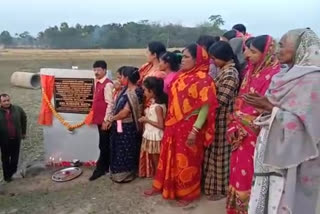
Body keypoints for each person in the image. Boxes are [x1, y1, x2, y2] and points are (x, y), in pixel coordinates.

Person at [247, 28, 320, 214]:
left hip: (296, 156)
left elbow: (311, 127)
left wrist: (271, 109)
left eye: (282, 45)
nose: (277, 50)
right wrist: (264, 110)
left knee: (288, 200)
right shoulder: (282, 76)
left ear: (300, 48)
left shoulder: (313, 81)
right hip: (270, 145)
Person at [144, 44, 218, 206]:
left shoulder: (204, 80)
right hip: (173, 124)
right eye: (182, 56)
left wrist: (195, 130)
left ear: (197, 59)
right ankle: (164, 186)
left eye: (186, 57)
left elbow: (205, 108)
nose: (182, 59)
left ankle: (187, 193)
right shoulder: (180, 76)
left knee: (187, 160)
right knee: (168, 156)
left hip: (190, 127)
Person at [226, 35, 280, 213]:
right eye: (246, 50)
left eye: (253, 51)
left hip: (257, 134)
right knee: (238, 171)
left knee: (252, 173)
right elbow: (240, 102)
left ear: (267, 53)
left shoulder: (275, 75)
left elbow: (272, 108)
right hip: (241, 134)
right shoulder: (250, 71)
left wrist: (242, 120)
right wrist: (234, 123)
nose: (247, 54)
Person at [203, 41, 240, 201]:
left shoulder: (230, 73)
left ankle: (221, 189)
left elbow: (221, 100)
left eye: (215, 58)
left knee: (220, 155)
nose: (213, 62)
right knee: (214, 153)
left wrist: (202, 105)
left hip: (223, 120)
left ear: (224, 57)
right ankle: (213, 186)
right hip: (216, 118)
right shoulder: (224, 70)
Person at [108, 66, 144, 183]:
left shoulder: (135, 92)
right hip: (119, 125)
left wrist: (112, 118)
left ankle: (125, 174)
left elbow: (125, 112)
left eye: (122, 76)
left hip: (127, 127)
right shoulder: (126, 89)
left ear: (127, 78)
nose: (120, 79)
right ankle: (117, 173)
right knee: (118, 148)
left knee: (125, 150)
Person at [89, 60, 114, 181]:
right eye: (94, 70)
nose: (96, 72)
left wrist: (106, 120)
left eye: (99, 70)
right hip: (99, 119)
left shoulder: (108, 84)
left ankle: (102, 168)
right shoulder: (97, 82)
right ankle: (104, 167)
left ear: (104, 70)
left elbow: (110, 104)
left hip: (104, 120)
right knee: (103, 144)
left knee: (104, 145)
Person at [138, 77, 167, 178]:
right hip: (151, 134)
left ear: (152, 91)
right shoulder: (154, 103)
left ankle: (159, 179)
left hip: (156, 136)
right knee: (155, 160)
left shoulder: (157, 106)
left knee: (157, 161)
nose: (144, 93)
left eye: (145, 90)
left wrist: (146, 120)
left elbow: (161, 125)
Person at [0, 94, 27, 182]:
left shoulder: (17, 109)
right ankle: (7, 178)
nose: (7, 102)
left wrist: (23, 132)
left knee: (15, 158)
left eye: (8, 100)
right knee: (5, 159)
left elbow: (24, 118)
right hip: (4, 140)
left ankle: (13, 174)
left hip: (16, 138)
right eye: (4, 101)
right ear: (0, 102)